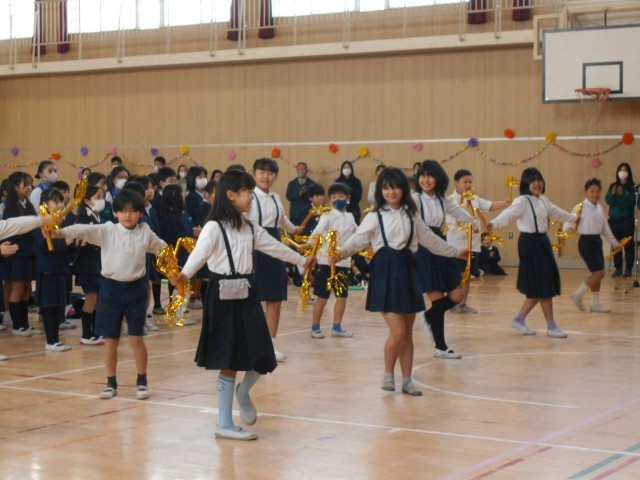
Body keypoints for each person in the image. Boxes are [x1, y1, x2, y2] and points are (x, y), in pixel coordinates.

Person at [172, 170, 315, 441]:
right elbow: (199, 255)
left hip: (247, 293)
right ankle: (224, 423)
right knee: (228, 360)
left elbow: (274, 247)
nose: (251, 196)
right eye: (247, 192)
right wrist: (184, 275)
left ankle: (243, 392)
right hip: (222, 296)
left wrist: (301, 260)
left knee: (264, 354)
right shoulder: (213, 227)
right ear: (230, 195)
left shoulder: (250, 227)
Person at [335, 167, 466, 396]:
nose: (391, 192)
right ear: (381, 191)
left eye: (395, 187)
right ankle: (388, 374)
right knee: (397, 332)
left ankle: (407, 380)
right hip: (385, 273)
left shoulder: (412, 215)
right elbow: (357, 240)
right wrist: (340, 253)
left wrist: (456, 252)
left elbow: (431, 241)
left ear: (403, 189)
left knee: (407, 333)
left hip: (408, 272)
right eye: (386, 188)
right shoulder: (374, 216)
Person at [54, 189, 168, 400]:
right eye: (123, 211)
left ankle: (142, 381)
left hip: (136, 290)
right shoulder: (108, 230)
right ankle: (110, 383)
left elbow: (163, 249)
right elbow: (82, 229)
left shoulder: (145, 231)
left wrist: (174, 265)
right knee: (111, 340)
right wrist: (60, 233)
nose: (128, 215)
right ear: (115, 213)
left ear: (140, 212)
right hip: (110, 290)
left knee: (136, 338)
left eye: (133, 211)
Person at [487, 167, 577, 338]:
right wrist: (493, 223)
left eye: (539, 180)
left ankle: (520, 319)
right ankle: (550, 325)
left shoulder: (544, 200)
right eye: (533, 180)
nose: (537, 183)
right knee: (543, 284)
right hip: (529, 244)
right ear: (526, 183)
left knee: (542, 284)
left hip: (542, 242)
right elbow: (508, 215)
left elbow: (557, 212)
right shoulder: (522, 201)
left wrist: (574, 219)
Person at [412, 160, 478, 359]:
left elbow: (458, 212)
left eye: (430, 176)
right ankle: (440, 347)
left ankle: (428, 316)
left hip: (441, 245)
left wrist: (474, 222)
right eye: (422, 176)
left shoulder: (442, 199)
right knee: (438, 298)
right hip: (423, 248)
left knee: (457, 294)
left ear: (438, 178)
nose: (425, 180)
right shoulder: (415, 198)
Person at [245, 158, 301, 361]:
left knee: (275, 298)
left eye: (270, 173)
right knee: (252, 299)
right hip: (254, 248)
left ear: (275, 176)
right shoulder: (248, 197)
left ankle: (270, 346)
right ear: (254, 174)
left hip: (275, 247)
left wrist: (295, 229)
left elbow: (282, 219)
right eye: (261, 172)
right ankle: (250, 345)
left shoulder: (276, 197)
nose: (265, 176)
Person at [446, 169, 510, 313]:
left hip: (473, 244)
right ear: (456, 183)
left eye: (470, 181)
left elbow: (490, 205)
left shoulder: (474, 199)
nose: (468, 184)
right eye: (465, 182)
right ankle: (452, 303)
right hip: (456, 245)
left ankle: (462, 304)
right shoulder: (449, 200)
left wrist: (505, 203)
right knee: (457, 275)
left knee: (467, 275)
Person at [308, 182, 357, 339]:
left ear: (348, 198)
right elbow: (317, 233)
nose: (338, 199)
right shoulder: (327, 215)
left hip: (343, 263)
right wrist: (309, 246)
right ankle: (315, 327)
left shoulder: (350, 217)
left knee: (342, 296)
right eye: (334, 197)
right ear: (330, 200)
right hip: (325, 263)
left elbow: (358, 236)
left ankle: (337, 327)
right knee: (322, 297)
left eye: (341, 196)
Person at [566, 178, 619, 313]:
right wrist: (570, 228)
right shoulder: (580, 207)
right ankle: (578, 294)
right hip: (586, 242)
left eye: (598, 191)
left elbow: (605, 228)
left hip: (596, 241)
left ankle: (595, 304)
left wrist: (614, 242)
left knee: (598, 272)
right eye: (592, 191)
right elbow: (568, 224)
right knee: (599, 273)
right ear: (586, 192)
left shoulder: (599, 208)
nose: (595, 194)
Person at [34, 188, 74, 352]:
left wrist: (74, 244)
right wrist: (66, 242)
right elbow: (44, 247)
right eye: (55, 201)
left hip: (61, 268)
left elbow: (67, 248)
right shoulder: (40, 223)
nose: (59, 205)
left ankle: (55, 340)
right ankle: (50, 341)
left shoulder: (61, 223)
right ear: (45, 204)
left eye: (61, 201)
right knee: (49, 307)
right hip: (48, 270)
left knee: (59, 306)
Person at [3, 171, 43, 337]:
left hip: (29, 251)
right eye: (25, 184)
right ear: (15, 187)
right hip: (17, 252)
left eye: (30, 184)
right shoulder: (10, 206)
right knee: (17, 287)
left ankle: (25, 324)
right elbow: (10, 231)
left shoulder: (28, 204)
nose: (29, 187)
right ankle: (17, 325)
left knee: (27, 287)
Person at [158, 184, 200, 322]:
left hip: (186, 253)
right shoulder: (168, 216)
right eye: (181, 193)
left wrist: (194, 230)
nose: (183, 196)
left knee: (184, 283)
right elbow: (172, 236)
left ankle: (180, 313)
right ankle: (178, 315)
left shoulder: (182, 212)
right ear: (174, 195)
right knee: (178, 284)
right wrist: (191, 233)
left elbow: (188, 227)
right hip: (176, 254)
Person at [73, 185, 107, 345]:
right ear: (86, 200)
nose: (101, 200)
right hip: (87, 263)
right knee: (91, 296)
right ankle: (86, 335)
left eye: (102, 197)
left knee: (98, 297)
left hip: (98, 262)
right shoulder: (83, 215)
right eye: (97, 197)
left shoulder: (99, 216)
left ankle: (96, 331)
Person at [605, 163, 636, 278]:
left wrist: (622, 195)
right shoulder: (613, 186)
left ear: (628, 173)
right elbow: (608, 200)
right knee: (616, 244)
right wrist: (613, 194)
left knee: (628, 245)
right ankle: (618, 268)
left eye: (625, 170)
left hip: (627, 220)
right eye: (620, 170)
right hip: (614, 220)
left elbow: (630, 204)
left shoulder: (633, 187)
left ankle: (628, 269)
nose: (622, 172)